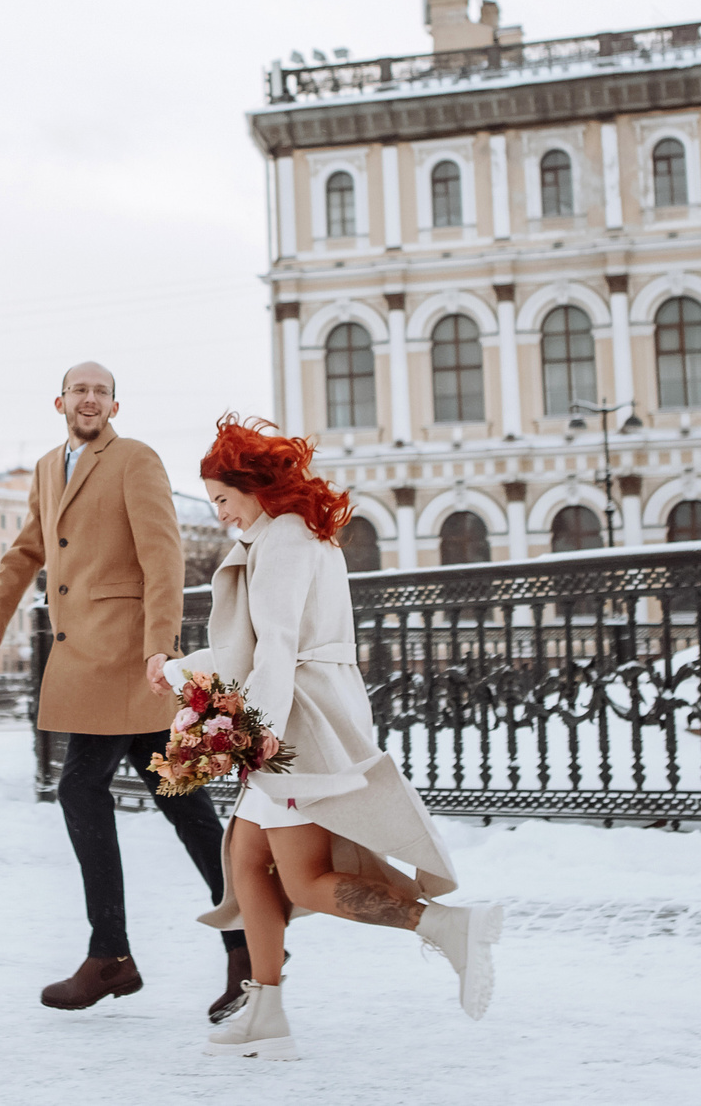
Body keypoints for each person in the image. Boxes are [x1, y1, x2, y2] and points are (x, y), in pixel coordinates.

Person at [174, 415, 501, 1061]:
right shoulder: (286, 535)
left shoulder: (288, 539)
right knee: (244, 859)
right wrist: (183, 671)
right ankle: (266, 1010)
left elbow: (277, 651)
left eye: (221, 497)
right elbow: (255, 649)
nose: (219, 514)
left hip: (296, 725)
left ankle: (446, 926)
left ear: (251, 484)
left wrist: (253, 735)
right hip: (292, 717)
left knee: (303, 878)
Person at [0, 362, 252, 1018]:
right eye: (79, 389)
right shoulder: (48, 467)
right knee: (183, 802)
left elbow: (163, 554)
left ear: (114, 402)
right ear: (60, 400)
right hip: (86, 658)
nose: (89, 398)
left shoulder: (134, 459)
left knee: (80, 785)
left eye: (100, 390)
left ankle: (111, 954)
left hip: (128, 657)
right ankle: (248, 941)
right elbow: (25, 551)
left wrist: (161, 643)